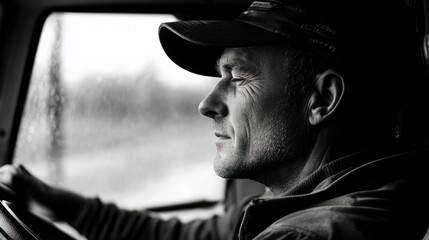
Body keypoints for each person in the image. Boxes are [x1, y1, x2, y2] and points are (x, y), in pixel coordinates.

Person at [1, 0, 429, 239]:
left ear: (322, 98)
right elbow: (174, 239)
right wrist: (51, 202)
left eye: (237, 76)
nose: (207, 103)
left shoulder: (311, 234)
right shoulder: (304, 198)